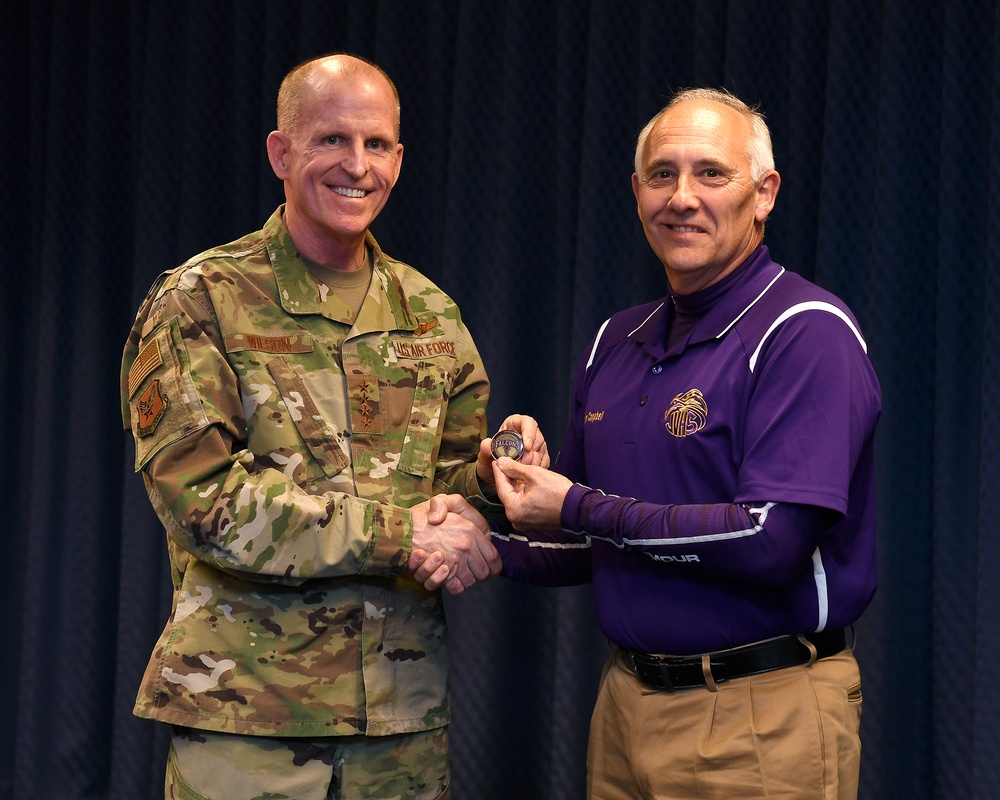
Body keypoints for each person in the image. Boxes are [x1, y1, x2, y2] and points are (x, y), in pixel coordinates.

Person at [120, 53, 545, 800]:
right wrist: (400, 534)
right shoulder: (201, 300)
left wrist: (488, 478)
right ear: (281, 153)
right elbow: (205, 503)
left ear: (400, 159)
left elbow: (444, 496)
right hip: (249, 724)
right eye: (331, 141)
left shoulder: (430, 314)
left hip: (400, 725)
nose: (357, 165)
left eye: (376, 145)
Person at [452, 89, 882, 799]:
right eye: (662, 175)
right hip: (625, 707)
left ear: (764, 192)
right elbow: (591, 541)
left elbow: (768, 540)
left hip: (762, 716)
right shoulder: (615, 339)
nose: (682, 197)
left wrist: (579, 505)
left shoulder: (806, 331)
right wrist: (489, 533)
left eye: (711, 173)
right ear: (636, 191)